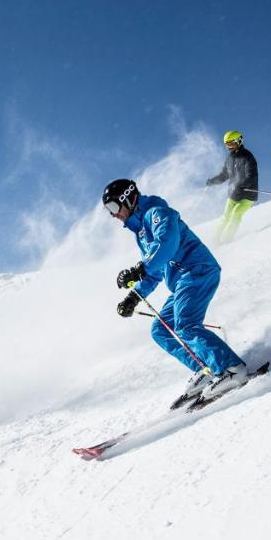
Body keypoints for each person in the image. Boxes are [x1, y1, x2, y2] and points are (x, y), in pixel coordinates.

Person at [103, 178, 249, 404]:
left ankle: (232, 368)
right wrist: (133, 297)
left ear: (128, 198)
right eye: (108, 210)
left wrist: (139, 268)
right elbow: (155, 270)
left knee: (186, 325)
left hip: (197, 271)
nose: (113, 215)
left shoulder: (158, 213)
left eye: (113, 207)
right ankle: (205, 368)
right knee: (159, 330)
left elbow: (167, 243)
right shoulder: (141, 231)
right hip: (182, 281)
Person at [205, 130, 259, 243]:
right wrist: (212, 181)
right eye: (227, 144)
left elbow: (252, 175)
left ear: (239, 141)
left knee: (236, 214)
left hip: (248, 193)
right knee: (225, 217)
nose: (229, 147)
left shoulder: (247, 157)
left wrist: (242, 185)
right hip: (233, 193)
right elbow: (224, 175)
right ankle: (214, 240)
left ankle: (227, 240)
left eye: (231, 144)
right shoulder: (229, 159)